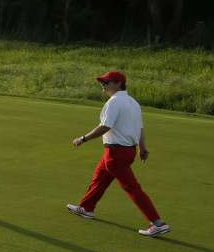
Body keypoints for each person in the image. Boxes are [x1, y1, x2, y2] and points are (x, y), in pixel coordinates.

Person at [67, 71, 171, 237]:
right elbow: (139, 128)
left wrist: (83, 138)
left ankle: (157, 223)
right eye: (103, 82)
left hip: (116, 153)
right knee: (99, 178)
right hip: (126, 151)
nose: (103, 85)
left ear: (118, 83)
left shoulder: (114, 102)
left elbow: (105, 126)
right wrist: (142, 148)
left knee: (132, 187)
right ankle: (86, 208)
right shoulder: (133, 102)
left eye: (106, 82)